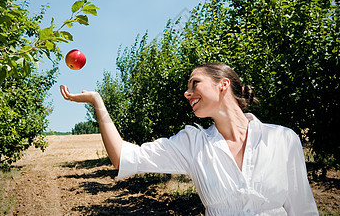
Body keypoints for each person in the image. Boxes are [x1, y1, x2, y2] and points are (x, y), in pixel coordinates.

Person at [60, 62, 318, 215]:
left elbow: (303, 208)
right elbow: (123, 157)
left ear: (223, 84)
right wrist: (98, 102)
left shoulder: (283, 139)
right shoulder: (193, 144)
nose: (187, 92)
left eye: (194, 83)